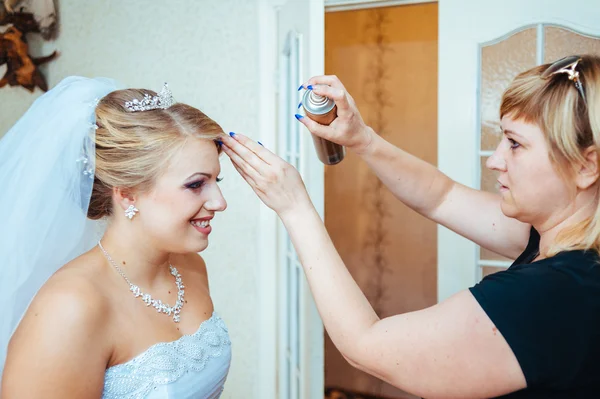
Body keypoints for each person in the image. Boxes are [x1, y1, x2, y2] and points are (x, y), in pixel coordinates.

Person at [221, 54, 600, 398]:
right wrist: (362, 139)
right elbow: (441, 195)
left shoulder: (557, 295)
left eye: (515, 144)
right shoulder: (562, 245)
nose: (495, 161)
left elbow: (365, 345)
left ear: (586, 166)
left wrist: (295, 209)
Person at [0, 76, 231, 398]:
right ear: (127, 194)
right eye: (196, 184)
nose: (220, 202)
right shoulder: (70, 308)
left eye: (217, 180)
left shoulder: (191, 268)